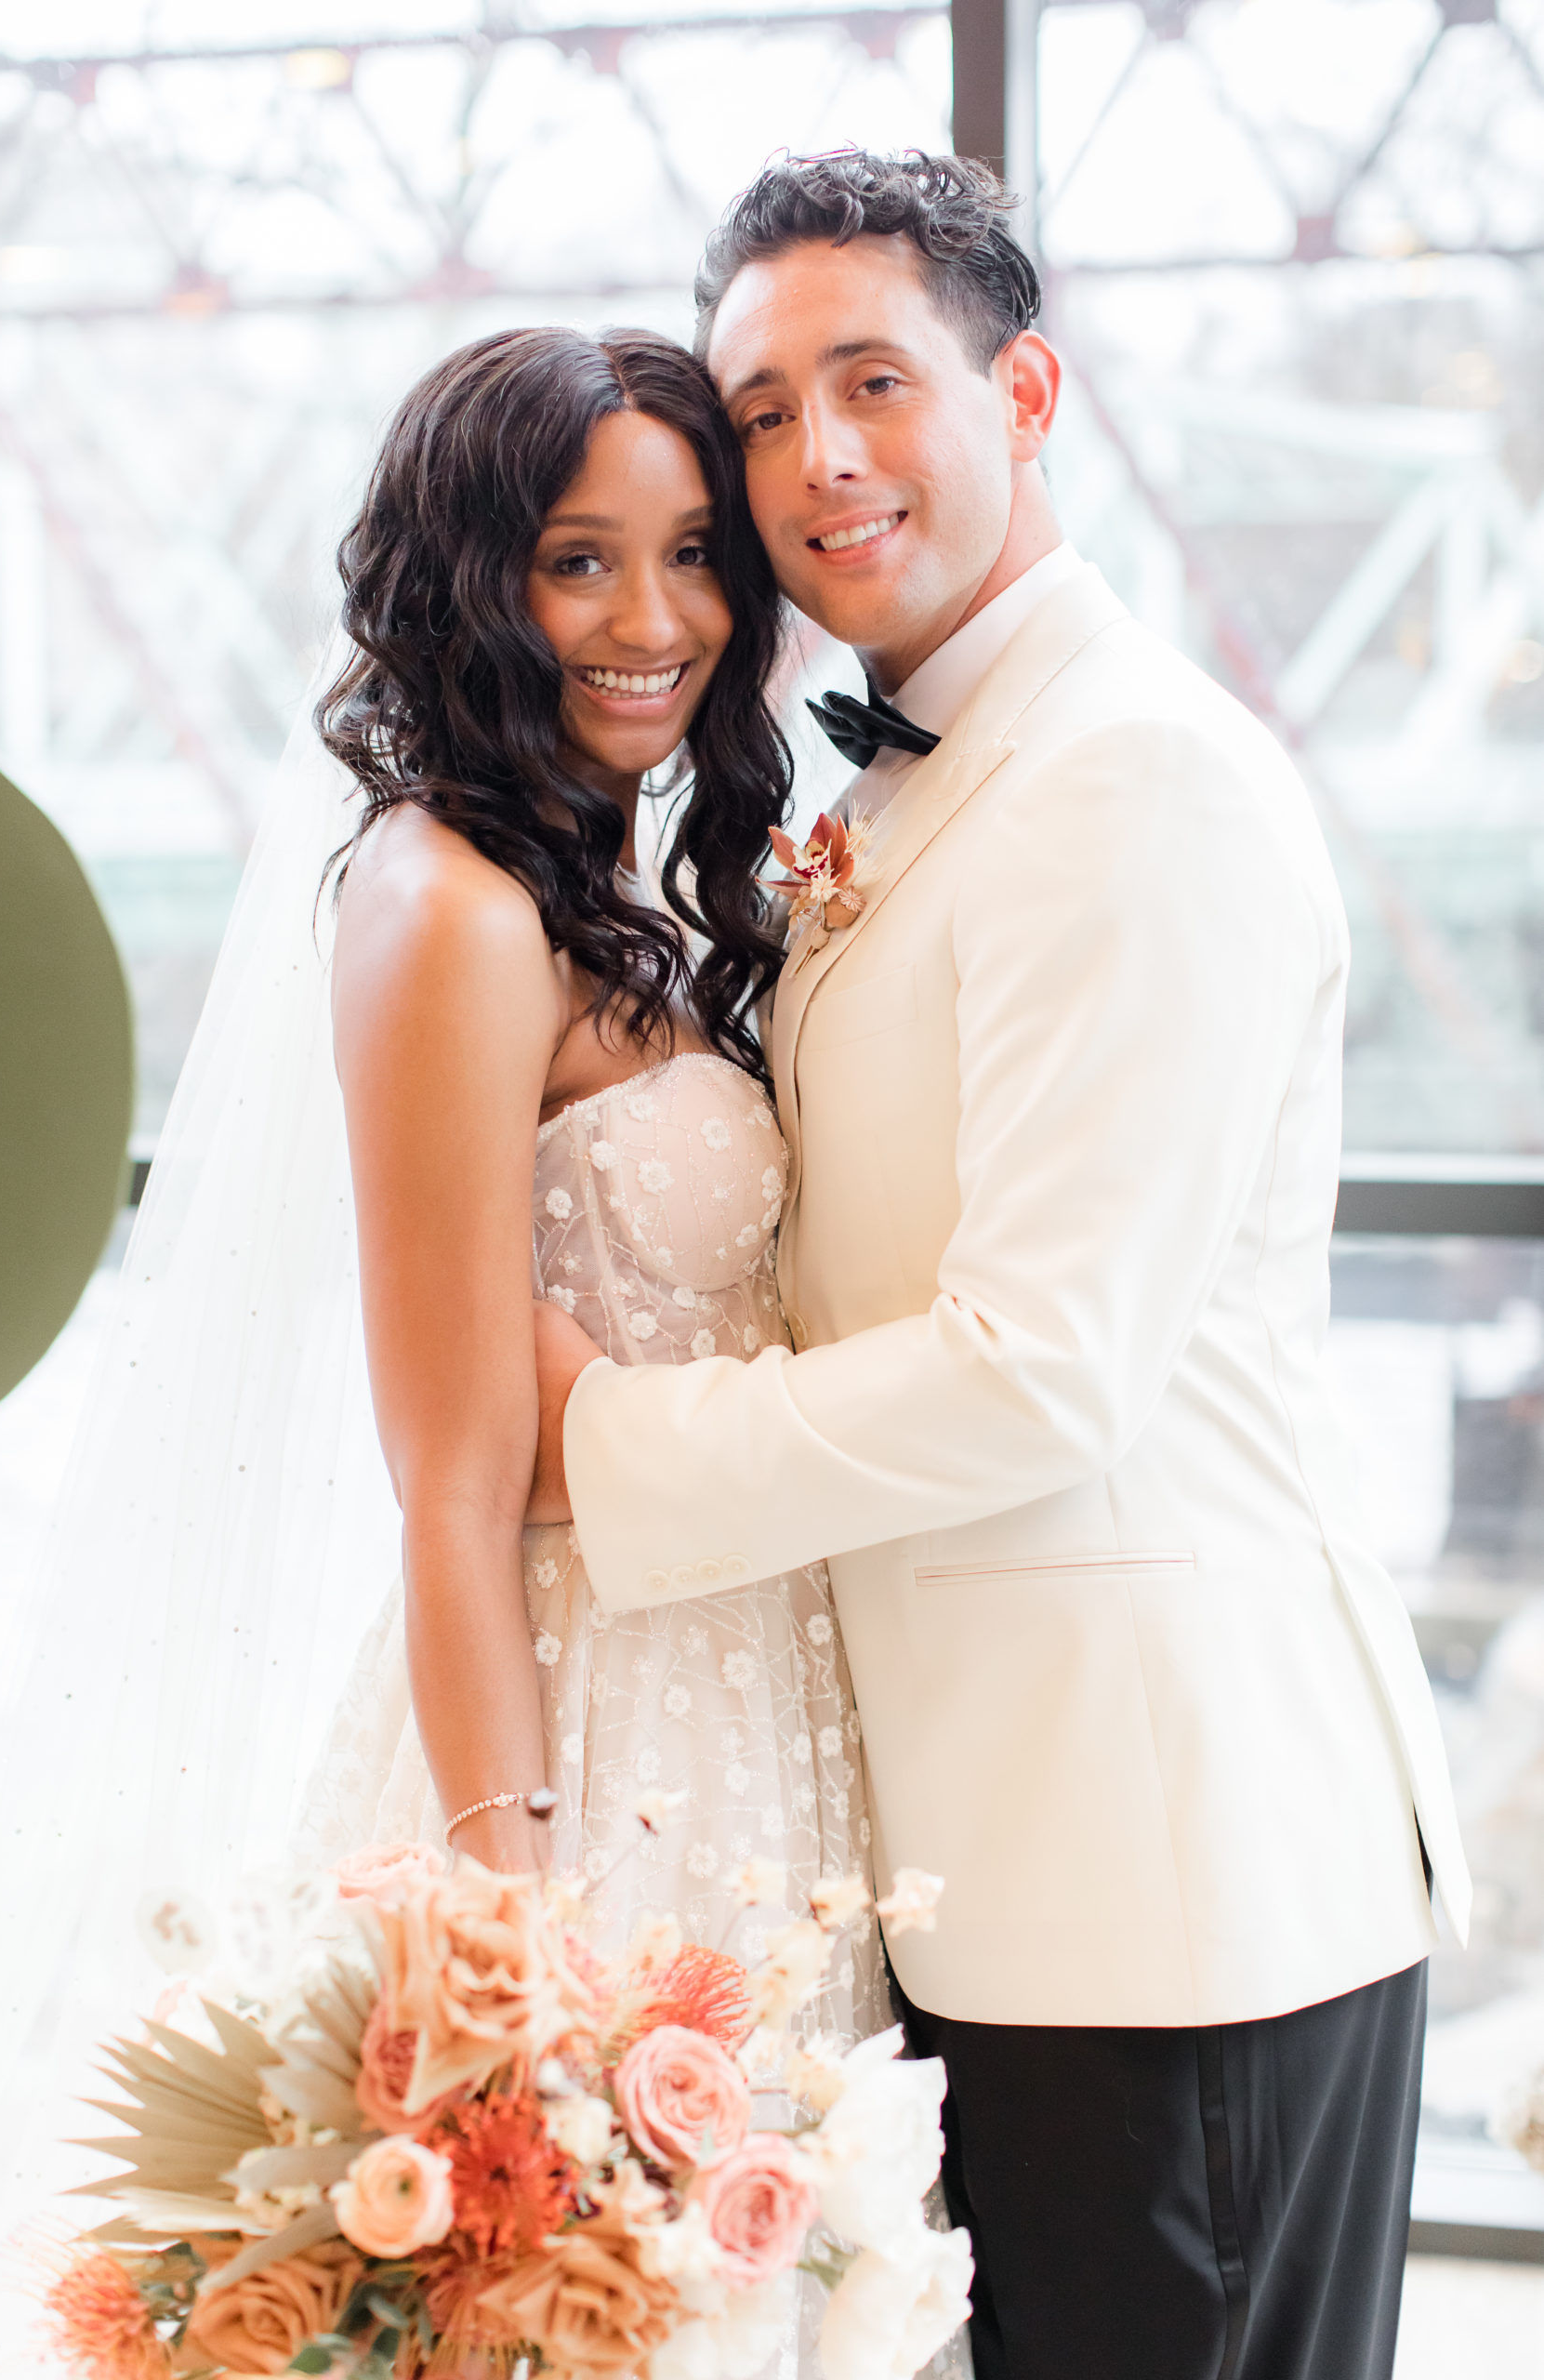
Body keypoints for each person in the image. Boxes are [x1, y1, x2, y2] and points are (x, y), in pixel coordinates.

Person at [528, 152, 1472, 2380]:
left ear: (1023, 388)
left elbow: (1040, 1364)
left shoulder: (1127, 779)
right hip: (1001, 1866)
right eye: (759, 409)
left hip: (1169, 1893)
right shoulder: (924, 773)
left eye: (874, 380)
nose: (815, 458)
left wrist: (600, 1442)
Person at [297, 322, 881, 2031]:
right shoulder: (456, 913)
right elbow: (453, 1485)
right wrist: (510, 1932)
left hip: (757, 1684)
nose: (655, 621)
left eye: (695, 554)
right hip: (588, 1716)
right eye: (580, 563)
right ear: (472, 587)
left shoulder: (605, 878)